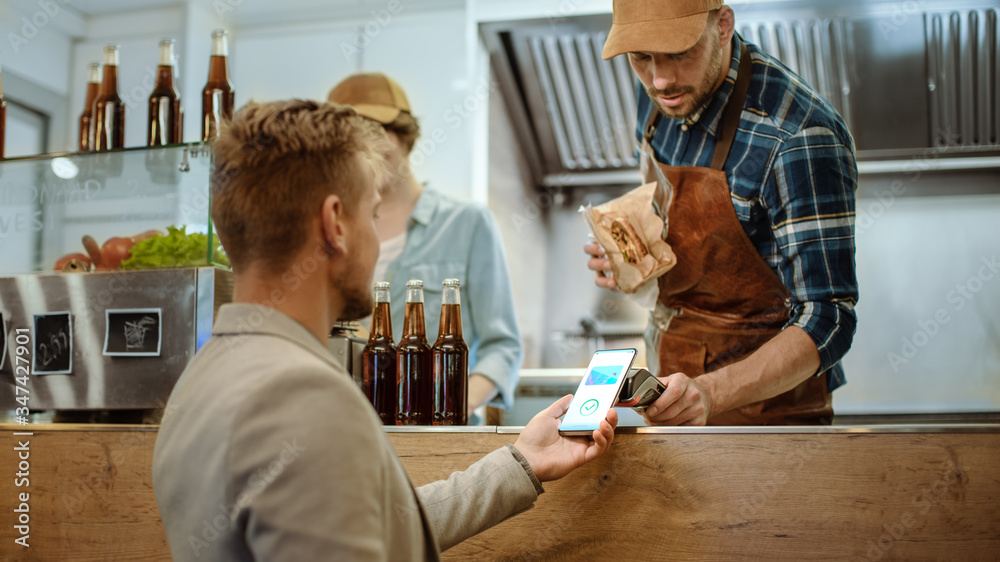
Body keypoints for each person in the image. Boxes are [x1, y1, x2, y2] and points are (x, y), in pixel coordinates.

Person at [152, 99, 618, 560]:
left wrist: (520, 464)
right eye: (373, 215)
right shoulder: (304, 394)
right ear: (336, 224)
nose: (379, 240)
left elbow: (373, 524)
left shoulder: (197, 381)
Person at [585, 0, 858, 426]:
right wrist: (635, 260)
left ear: (724, 25)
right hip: (670, 388)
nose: (660, 79)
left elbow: (829, 318)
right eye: (641, 58)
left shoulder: (798, 137)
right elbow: (674, 222)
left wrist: (711, 391)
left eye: (679, 53)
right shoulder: (658, 97)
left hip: (768, 421)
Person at [327, 73, 522, 423]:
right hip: (353, 429)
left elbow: (502, 347)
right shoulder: (334, 232)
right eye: (349, 143)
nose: (364, 154)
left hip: (438, 437)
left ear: (403, 137)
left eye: (375, 133)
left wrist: (451, 408)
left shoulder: (467, 223)